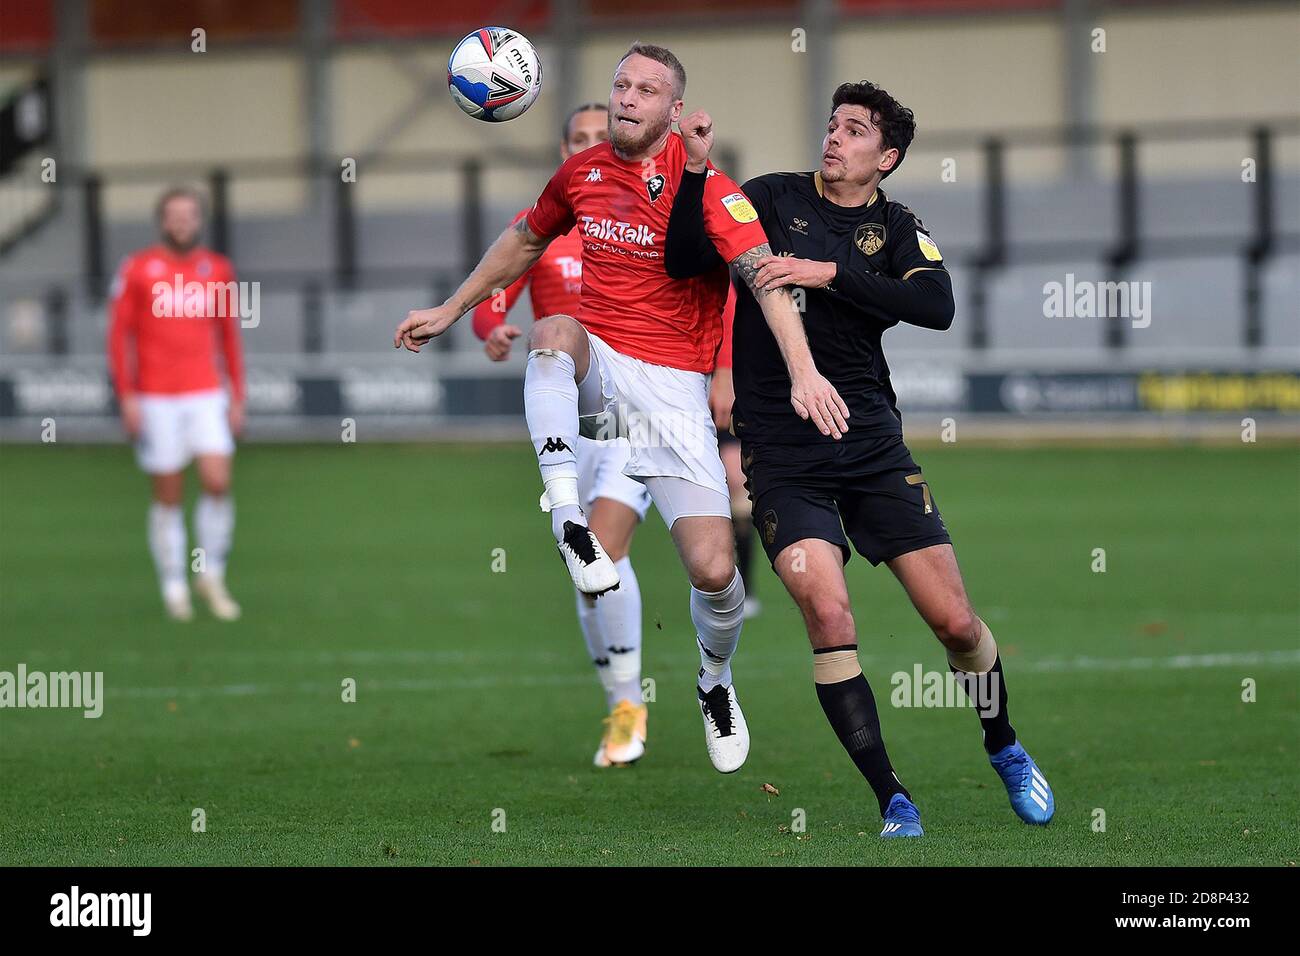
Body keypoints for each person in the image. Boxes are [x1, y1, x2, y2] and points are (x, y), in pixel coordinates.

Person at [395, 43, 848, 774]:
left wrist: (802, 370)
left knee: (713, 569)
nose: (626, 98)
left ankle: (715, 682)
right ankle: (565, 514)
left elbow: (761, 279)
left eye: (645, 90)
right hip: (601, 370)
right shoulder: (581, 173)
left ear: (675, 110)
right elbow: (523, 240)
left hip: (672, 396)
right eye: (620, 85)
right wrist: (453, 310)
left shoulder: (710, 190)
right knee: (554, 334)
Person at [664, 80, 1054, 836]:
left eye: (855, 130)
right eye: (833, 124)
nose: (835, 137)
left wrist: (826, 273)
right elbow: (685, 259)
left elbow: (936, 306)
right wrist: (691, 170)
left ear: (888, 156)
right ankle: (892, 797)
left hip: (870, 445)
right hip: (782, 452)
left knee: (955, 624)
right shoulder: (771, 199)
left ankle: (1003, 744)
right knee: (828, 612)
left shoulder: (897, 224)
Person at [471, 101, 652, 767]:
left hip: (636, 415)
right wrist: (491, 329)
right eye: (580, 139)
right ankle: (620, 705)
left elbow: (711, 296)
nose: (592, 146)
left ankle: (630, 706)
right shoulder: (542, 230)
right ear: (564, 152)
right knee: (585, 570)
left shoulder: (656, 221)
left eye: (603, 137)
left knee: (603, 550)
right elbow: (493, 294)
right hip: (564, 425)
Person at [108, 186, 244, 622]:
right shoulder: (138, 269)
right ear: (162, 221)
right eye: (174, 215)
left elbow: (229, 334)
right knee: (168, 495)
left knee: (217, 481)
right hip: (156, 397)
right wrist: (126, 395)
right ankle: (173, 583)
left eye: (189, 214)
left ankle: (211, 573)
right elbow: (118, 336)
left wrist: (237, 394)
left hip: (206, 392)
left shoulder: (217, 269)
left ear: (200, 220)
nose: (182, 221)